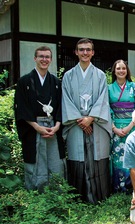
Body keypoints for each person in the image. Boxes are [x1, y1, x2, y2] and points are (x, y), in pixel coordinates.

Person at [62, 38, 112, 204]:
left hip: (96, 123)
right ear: (76, 52)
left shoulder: (100, 75)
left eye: (88, 50)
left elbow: (103, 99)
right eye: (81, 49)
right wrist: (80, 120)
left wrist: (90, 118)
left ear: (93, 52)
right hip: (76, 123)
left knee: (97, 157)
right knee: (78, 157)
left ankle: (99, 197)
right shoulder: (68, 76)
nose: (85, 53)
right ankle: (79, 198)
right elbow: (66, 100)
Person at [14, 46, 66, 191]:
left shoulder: (56, 82)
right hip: (33, 128)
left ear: (51, 59)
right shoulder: (24, 82)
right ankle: (36, 195)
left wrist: (56, 126)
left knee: (55, 161)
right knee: (36, 161)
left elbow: (62, 105)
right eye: (41, 56)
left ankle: (57, 194)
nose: (44, 59)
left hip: (53, 128)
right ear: (35, 58)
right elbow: (21, 107)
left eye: (47, 57)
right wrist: (37, 127)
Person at [108, 59, 135, 193]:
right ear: (114, 71)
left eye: (123, 68)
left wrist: (131, 126)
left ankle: (133, 187)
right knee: (117, 158)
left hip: (132, 126)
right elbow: (107, 109)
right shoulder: (109, 88)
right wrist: (114, 128)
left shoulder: (134, 88)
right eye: (118, 68)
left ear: (127, 70)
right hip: (115, 127)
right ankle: (119, 187)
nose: (121, 71)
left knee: (133, 156)